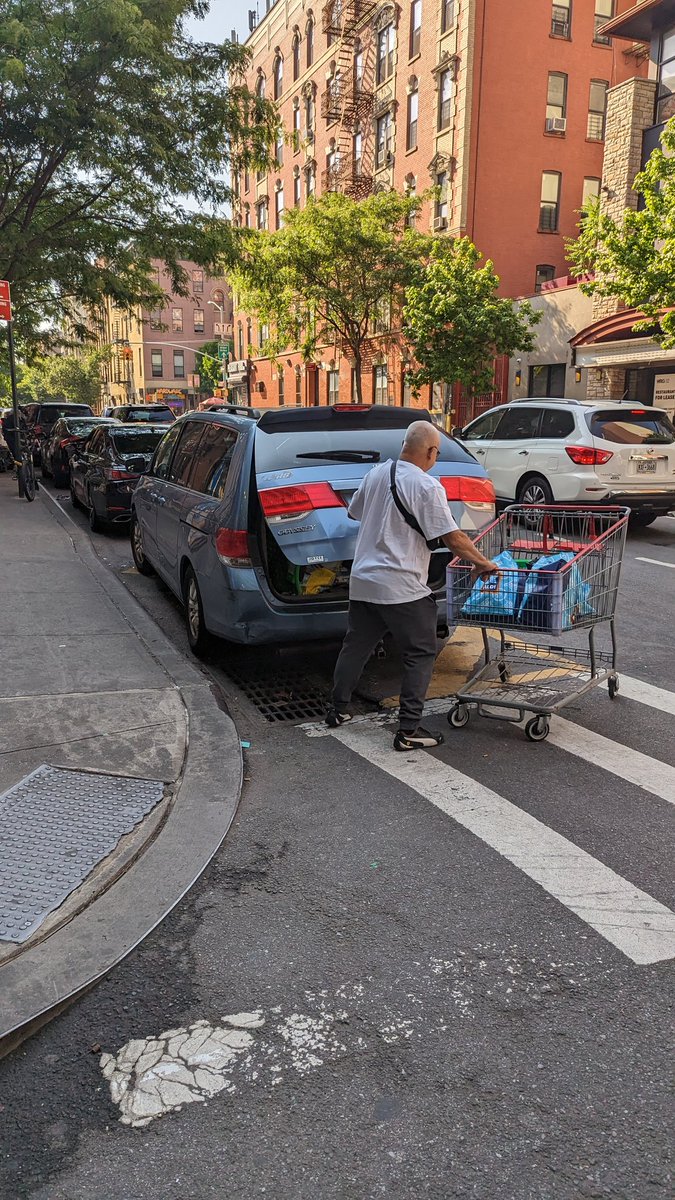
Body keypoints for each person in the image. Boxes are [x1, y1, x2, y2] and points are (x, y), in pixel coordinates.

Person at [326, 420, 498, 752]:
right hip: (401, 585)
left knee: (356, 647)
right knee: (420, 653)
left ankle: (338, 710)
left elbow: (355, 512)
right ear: (431, 451)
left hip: (364, 582)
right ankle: (408, 730)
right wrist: (482, 562)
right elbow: (453, 536)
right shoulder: (426, 486)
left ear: (405, 445)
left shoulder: (377, 474)